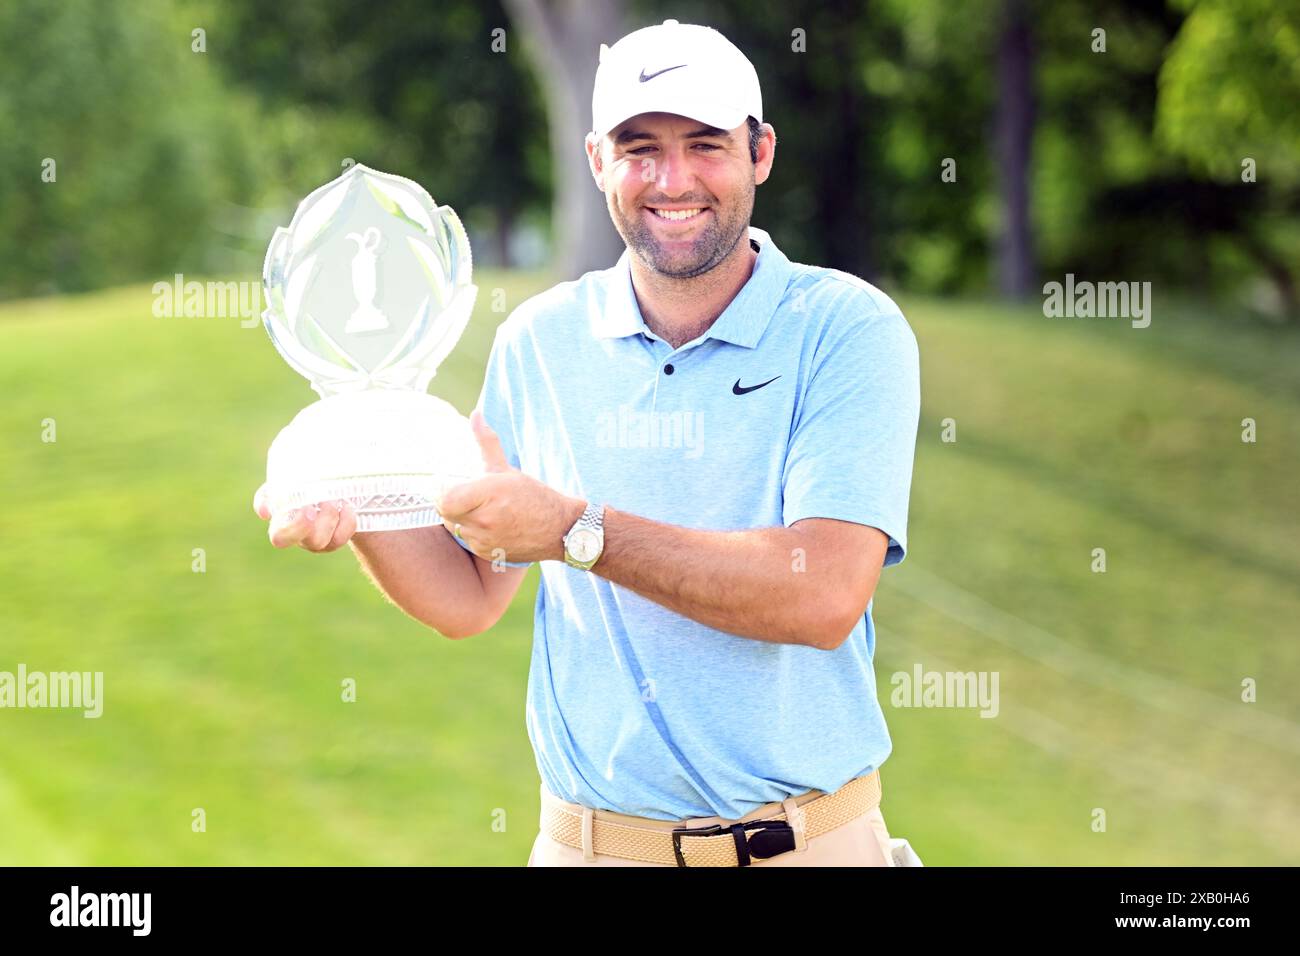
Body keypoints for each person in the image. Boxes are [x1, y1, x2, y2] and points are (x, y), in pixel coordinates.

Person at [253, 19, 921, 867]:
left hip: (807, 848)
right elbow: (468, 598)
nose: (672, 179)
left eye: (705, 145)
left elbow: (823, 594)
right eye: (640, 148)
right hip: (589, 849)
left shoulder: (845, 329)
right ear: (598, 159)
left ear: (761, 153)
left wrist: (577, 531)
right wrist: (363, 505)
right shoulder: (540, 340)